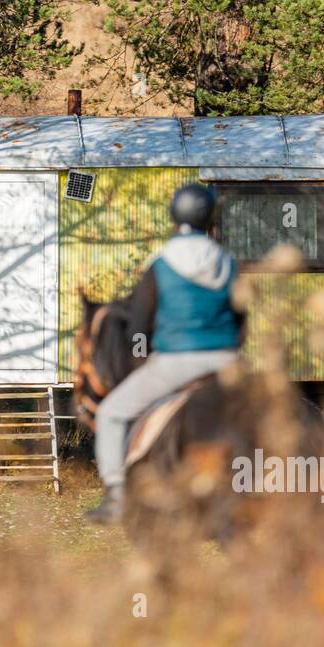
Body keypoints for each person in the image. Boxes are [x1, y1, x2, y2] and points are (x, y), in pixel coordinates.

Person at [86, 183, 246, 525]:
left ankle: (116, 497)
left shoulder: (161, 264)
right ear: (211, 220)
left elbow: (139, 327)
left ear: (175, 218)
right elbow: (241, 319)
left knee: (111, 413)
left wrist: (141, 359)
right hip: (228, 364)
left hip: (177, 363)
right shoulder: (229, 263)